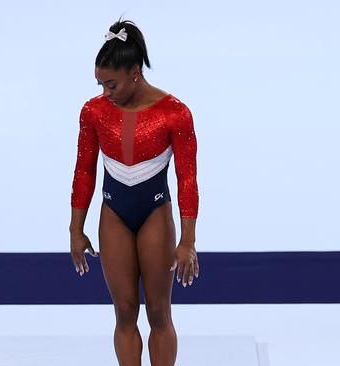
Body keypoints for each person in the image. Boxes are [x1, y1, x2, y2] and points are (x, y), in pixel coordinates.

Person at [69, 18, 200, 366]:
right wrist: (75, 228)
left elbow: (188, 178)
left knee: (158, 312)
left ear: (135, 73)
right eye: (100, 84)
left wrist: (187, 241)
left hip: (154, 213)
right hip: (114, 213)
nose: (104, 93)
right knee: (125, 311)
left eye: (111, 84)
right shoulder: (93, 112)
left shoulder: (175, 114)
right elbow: (84, 170)